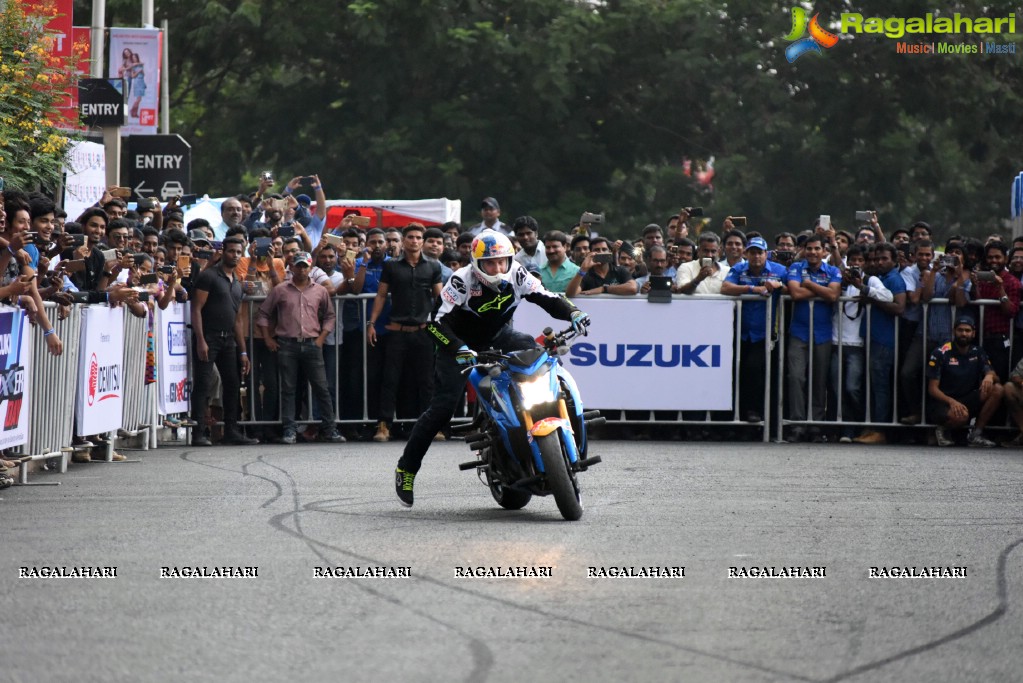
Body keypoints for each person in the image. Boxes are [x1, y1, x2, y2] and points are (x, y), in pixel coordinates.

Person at [393, 229, 590, 506]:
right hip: (459, 347)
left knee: (542, 357)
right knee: (443, 408)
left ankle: (550, 422)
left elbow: (548, 297)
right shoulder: (461, 280)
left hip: (500, 337)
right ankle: (406, 469)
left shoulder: (518, 273)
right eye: (490, 263)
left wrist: (573, 312)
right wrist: (459, 349)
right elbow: (435, 324)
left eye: (502, 261)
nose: (497, 268)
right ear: (476, 263)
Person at [256, 252, 344, 444]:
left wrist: (321, 338)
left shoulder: (320, 290)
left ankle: (330, 429)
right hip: (287, 344)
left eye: (305, 266)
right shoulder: (280, 290)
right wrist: (267, 338)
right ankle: (289, 430)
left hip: (312, 343)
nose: (302, 269)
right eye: (298, 265)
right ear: (292, 267)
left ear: (311, 268)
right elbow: (263, 314)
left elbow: (330, 316)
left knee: (322, 388)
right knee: (288, 389)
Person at [367, 224, 442, 442]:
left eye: (419, 237)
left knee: (427, 381)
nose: (414, 241)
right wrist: (371, 322)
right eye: (410, 237)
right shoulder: (391, 266)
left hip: (423, 331)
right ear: (403, 239)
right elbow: (381, 296)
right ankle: (383, 426)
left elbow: (439, 298)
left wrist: (443, 324)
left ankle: (432, 426)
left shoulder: (433, 266)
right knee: (390, 379)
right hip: (397, 331)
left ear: (423, 241)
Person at [189, 237, 259, 446]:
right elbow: (196, 309)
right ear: (223, 252)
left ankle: (231, 430)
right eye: (231, 251)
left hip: (228, 339)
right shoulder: (209, 276)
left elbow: (237, 319)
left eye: (239, 252)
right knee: (203, 384)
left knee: (233, 383)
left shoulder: (236, 282)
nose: (235, 255)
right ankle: (198, 433)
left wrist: (243, 352)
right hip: (208, 336)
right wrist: (201, 339)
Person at [720, 237, 787, 422]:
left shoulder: (779, 270)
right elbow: (725, 288)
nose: (756, 256)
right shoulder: (739, 269)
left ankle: (760, 413)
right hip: (740, 331)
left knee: (758, 371)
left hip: (765, 333)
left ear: (766, 254)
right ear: (746, 254)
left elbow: (792, 288)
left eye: (760, 253)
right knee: (739, 372)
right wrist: (752, 289)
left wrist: (779, 285)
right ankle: (739, 414)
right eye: (753, 253)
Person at [785, 234, 841, 442]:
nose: (813, 252)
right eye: (809, 248)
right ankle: (798, 424)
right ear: (805, 250)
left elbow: (834, 296)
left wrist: (808, 285)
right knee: (796, 377)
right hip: (798, 332)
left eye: (817, 249)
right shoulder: (796, 268)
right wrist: (821, 290)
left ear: (824, 251)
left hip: (823, 333)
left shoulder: (833, 270)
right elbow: (796, 294)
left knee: (819, 382)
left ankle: (816, 425)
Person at [927, 316, 1002, 447]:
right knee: (961, 416)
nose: (963, 334)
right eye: (960, 330)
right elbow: (932, 389)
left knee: (998, 389)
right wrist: (951, 401)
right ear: (954, 331)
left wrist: (989, 375)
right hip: (944, 402)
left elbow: (995, 376)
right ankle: (942, 430)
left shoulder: (977, 351)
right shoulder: (941, 352)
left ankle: (976, 434)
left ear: (973, 333)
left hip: (967, 399)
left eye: (967, 330)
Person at [565, 237, 637, 296]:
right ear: (590, 253)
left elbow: (632, 288)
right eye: (597, 250)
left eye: (604, 249)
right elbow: (570, 294)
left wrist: (604, 289)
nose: (601, 252)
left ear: (610, 252)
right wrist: (583, 269)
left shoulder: (619, 270)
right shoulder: (586, 274)